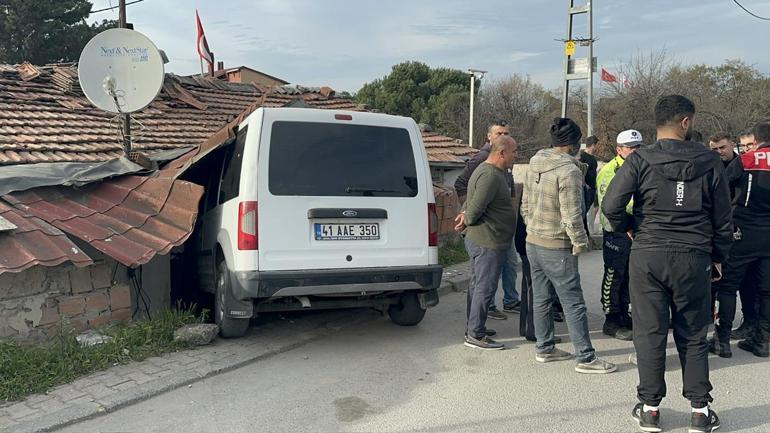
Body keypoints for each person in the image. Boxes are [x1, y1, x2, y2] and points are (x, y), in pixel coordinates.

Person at [602, 95, 732, 433]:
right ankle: (700, 412)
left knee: (649, 332)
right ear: (685, 122)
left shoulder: (639, 159)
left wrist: (630, 227)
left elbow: (611, 205)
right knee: (693, 333)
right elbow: (723, 218)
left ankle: (650, 409)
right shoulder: (709, 161)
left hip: (649, 254)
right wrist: (718, 257)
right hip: (693, 256)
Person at [521, 117, 616, 374]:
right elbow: (572, 215)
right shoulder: (569, 171)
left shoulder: (535, 162)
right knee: (573, 302)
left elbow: (525, 203)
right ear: (574, 144)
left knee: (541, 298)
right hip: (557, 245)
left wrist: (532, 226)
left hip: (533, 240)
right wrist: (580, 243)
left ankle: (545, 347)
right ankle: (586, 357)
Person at [711, 120, 770, 359]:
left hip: (743, 230)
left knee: (727, 286)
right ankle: (763, 341)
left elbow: (721, 188)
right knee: (766, 290)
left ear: (756, 140)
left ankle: (722, 341)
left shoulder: (746, 159)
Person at [454, 135, 518, 350]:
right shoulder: (489, 175)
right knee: (484, 287)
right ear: (502, 153)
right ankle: (475, 334)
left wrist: (465, 214)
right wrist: (466, 218)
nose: (515, 156)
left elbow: (471, 204)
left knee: (478, 285)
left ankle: (474, 326)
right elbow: (475, 209)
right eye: (513, 152)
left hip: (487, 240)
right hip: (487, 241)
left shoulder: (491, 172)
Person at [596, 129, 643, 341]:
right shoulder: (609, 171)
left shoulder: (643, 166)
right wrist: (627, 226)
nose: (634, 151)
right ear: (619, 149)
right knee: (614, 275)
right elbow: (610, 207)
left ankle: (624, 314)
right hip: (617, 230)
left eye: (638, 147)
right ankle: (611, 319)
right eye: (630, 148)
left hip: (637, 230)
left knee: (630, 277)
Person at [580, 135, 599, 234]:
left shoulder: (593, 159)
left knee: (594, 206)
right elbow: (579, 172)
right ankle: (584, 232)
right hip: (585, 189)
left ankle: (587, 231)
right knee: (583, 212)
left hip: (592, 188)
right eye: (596, 145)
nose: (597, 148)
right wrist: (584, 184)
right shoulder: (582, 157)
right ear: (593, 145)